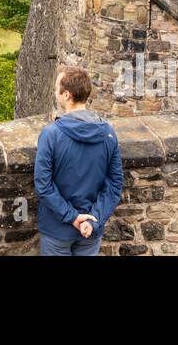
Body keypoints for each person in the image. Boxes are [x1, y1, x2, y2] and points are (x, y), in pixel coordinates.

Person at [35, 66, 123, 256]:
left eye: (56, 87)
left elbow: (43, 185)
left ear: (66, 95)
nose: (54, 91)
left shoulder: (51, 134)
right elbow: (114, 185)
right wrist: (92, 219)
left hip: (57, 229)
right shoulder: (108, 133)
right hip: (90, 230)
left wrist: (73, 217)